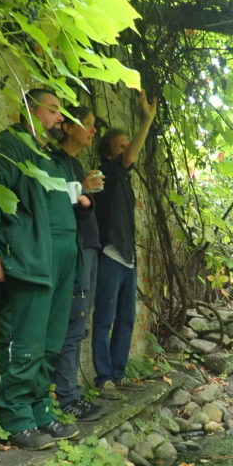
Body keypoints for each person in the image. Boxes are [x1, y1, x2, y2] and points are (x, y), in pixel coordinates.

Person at [0, 89, 81, 449]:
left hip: (59, 264)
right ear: (30, 110)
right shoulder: (9, 146)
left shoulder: (50, 156)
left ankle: (41, 410)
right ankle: (17, 417)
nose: (60, 118)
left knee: (50, 344)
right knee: (25, 342)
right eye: (53, 110)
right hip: (30, 260)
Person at [92, 90, 157, 396]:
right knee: (104, 318)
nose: (127, 151)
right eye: (121, 147)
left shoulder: (124, 180)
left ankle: (118, 374)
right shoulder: (107, 173)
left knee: (127, 318)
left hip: (127, 258)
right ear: (109, 155)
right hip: (110, 254)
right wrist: (147, 120)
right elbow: (129, 157)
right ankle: (103, 378)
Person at [52, 106, 110, 417]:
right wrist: (83, 190)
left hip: (88, 247)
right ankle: (67, 397)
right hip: (76, 249)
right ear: (67, 126)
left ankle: (69, 393)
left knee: (79, 319)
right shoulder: (56, 162)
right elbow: (56, 205)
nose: (93, 130)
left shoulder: (73, 164)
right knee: (74, 319)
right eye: (87, 123)